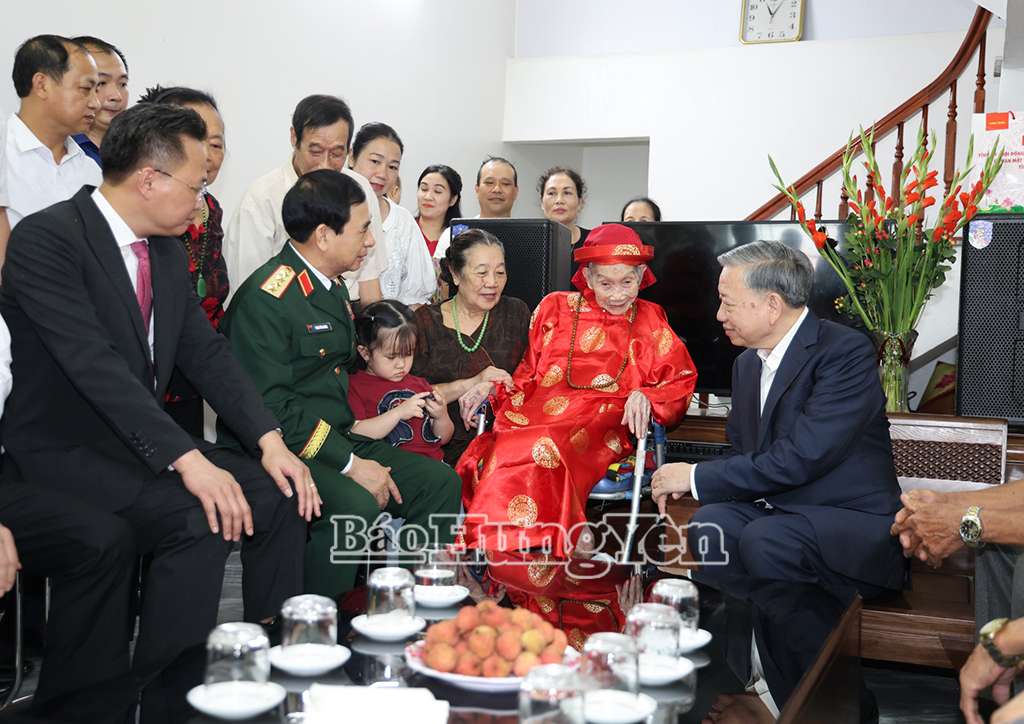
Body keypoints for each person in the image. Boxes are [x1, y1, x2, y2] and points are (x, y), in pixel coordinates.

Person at [0, 102, 316, 723]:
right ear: (149, 178)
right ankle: (170, 702)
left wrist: (269, 439)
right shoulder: (47, 239)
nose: (201, 203)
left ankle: (273, 673)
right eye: (196, 187)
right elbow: (93, 366)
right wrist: (188, 459)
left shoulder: (166, 253)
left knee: (277, 489)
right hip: (64, 452)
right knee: (201, 515)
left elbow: (207, 354)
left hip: (138, 448)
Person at [218, 170, 462, 602]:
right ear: (324, 236)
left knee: (439, 482)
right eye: (363, 229)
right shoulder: (266, 299)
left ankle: (405, 605)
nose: (370, 241)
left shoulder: (328, 288)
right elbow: (273, 408)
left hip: (337, 435)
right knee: (355, 504)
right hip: (283, 446)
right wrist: (350, 464)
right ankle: (316, 622)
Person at [455, 223, 697, 635]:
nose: (617, 294)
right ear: (587, 276)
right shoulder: (553, 307)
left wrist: (647, 396)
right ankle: (516, 550)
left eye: (627, 282)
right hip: (540, 407)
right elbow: (528, 373)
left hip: (607, 413)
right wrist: (494, 386)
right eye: (606, 283)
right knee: (501, 443)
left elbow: (681, 379)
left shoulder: (651, 317)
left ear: (642, 277)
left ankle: (563, 534)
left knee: (548, 441)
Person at [650, 240, 906, 599]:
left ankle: (799, 636)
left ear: (772, 305)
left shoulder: (844, 352)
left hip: (849, 526)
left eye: (728, 303)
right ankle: (738, 630)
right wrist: (691, 478)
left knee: (765, 538)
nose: (719, 315)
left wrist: (694, 476)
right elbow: (742, 452)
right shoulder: (747, 364)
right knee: (711, 522)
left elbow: (804, 456)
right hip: (780, 517)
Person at [223, 94, 386, 305]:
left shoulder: (360, 190)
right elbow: (248, 291)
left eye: (337, 154)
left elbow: (369, 280)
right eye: (315, 152)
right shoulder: (262, 201)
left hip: (349, 311)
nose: (325, 164)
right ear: (294, 138)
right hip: (285, 315)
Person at [136, 85, 230, 437]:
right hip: (144, 377)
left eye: (216, 143)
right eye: (194, 139)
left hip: (196, 372)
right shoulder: (143, 216)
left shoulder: (212, 209)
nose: (207, 154)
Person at [410, 229, 530, 466]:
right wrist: (472, 382)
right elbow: (412, 395)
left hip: (505, 440)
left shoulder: (516, 314)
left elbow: (535, 379)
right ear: (455, 274)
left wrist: (496, 387)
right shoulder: (425, 322)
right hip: (438, 444)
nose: (492, 283)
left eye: (500, 273)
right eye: (482, 273)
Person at [4, 35, 102, 234]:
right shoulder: (5, 156)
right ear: (42, 85)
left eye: (96, 91)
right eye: (85, 89)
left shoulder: (92, 170)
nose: (96, 103)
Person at [348, 300, 453, 460]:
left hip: (433, 463)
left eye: (408, 354)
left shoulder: (420, 385)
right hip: (392, 465)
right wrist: (398, 413)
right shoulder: (355, 386)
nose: (401, 364)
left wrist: (441, 415)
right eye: (391, 357)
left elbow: (443, 439)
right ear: (365, 353)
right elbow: (356, 433)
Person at [348, 123, 434, 306]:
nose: (382, 174)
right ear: (352, 157)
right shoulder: (329, 210)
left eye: (392, 167)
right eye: (375, 161)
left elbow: (416, 299)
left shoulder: (403, 221)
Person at [435, 156, 518, 258]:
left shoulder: (529, 236)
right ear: (477, 190)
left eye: (505, 184)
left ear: (516, 192)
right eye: (489, 183)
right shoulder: (454, 235)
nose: (497, 189)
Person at [69, 36, 129, 166]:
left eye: (122, 84)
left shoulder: (140, 152)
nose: (117, 96)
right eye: (101, 83)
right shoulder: (56, 151)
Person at [416, 163, 462, 302]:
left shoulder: (459, 237)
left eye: (437, 191)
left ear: (453, 199)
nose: (428, 196)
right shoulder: (405, 229)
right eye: (424, 189)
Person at [538, 166, 588, 280]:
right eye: (552, 193)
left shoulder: (592, 242)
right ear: (542, 202)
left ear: (579, 201)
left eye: (567, 193)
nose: (559, 200)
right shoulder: (528, 244)